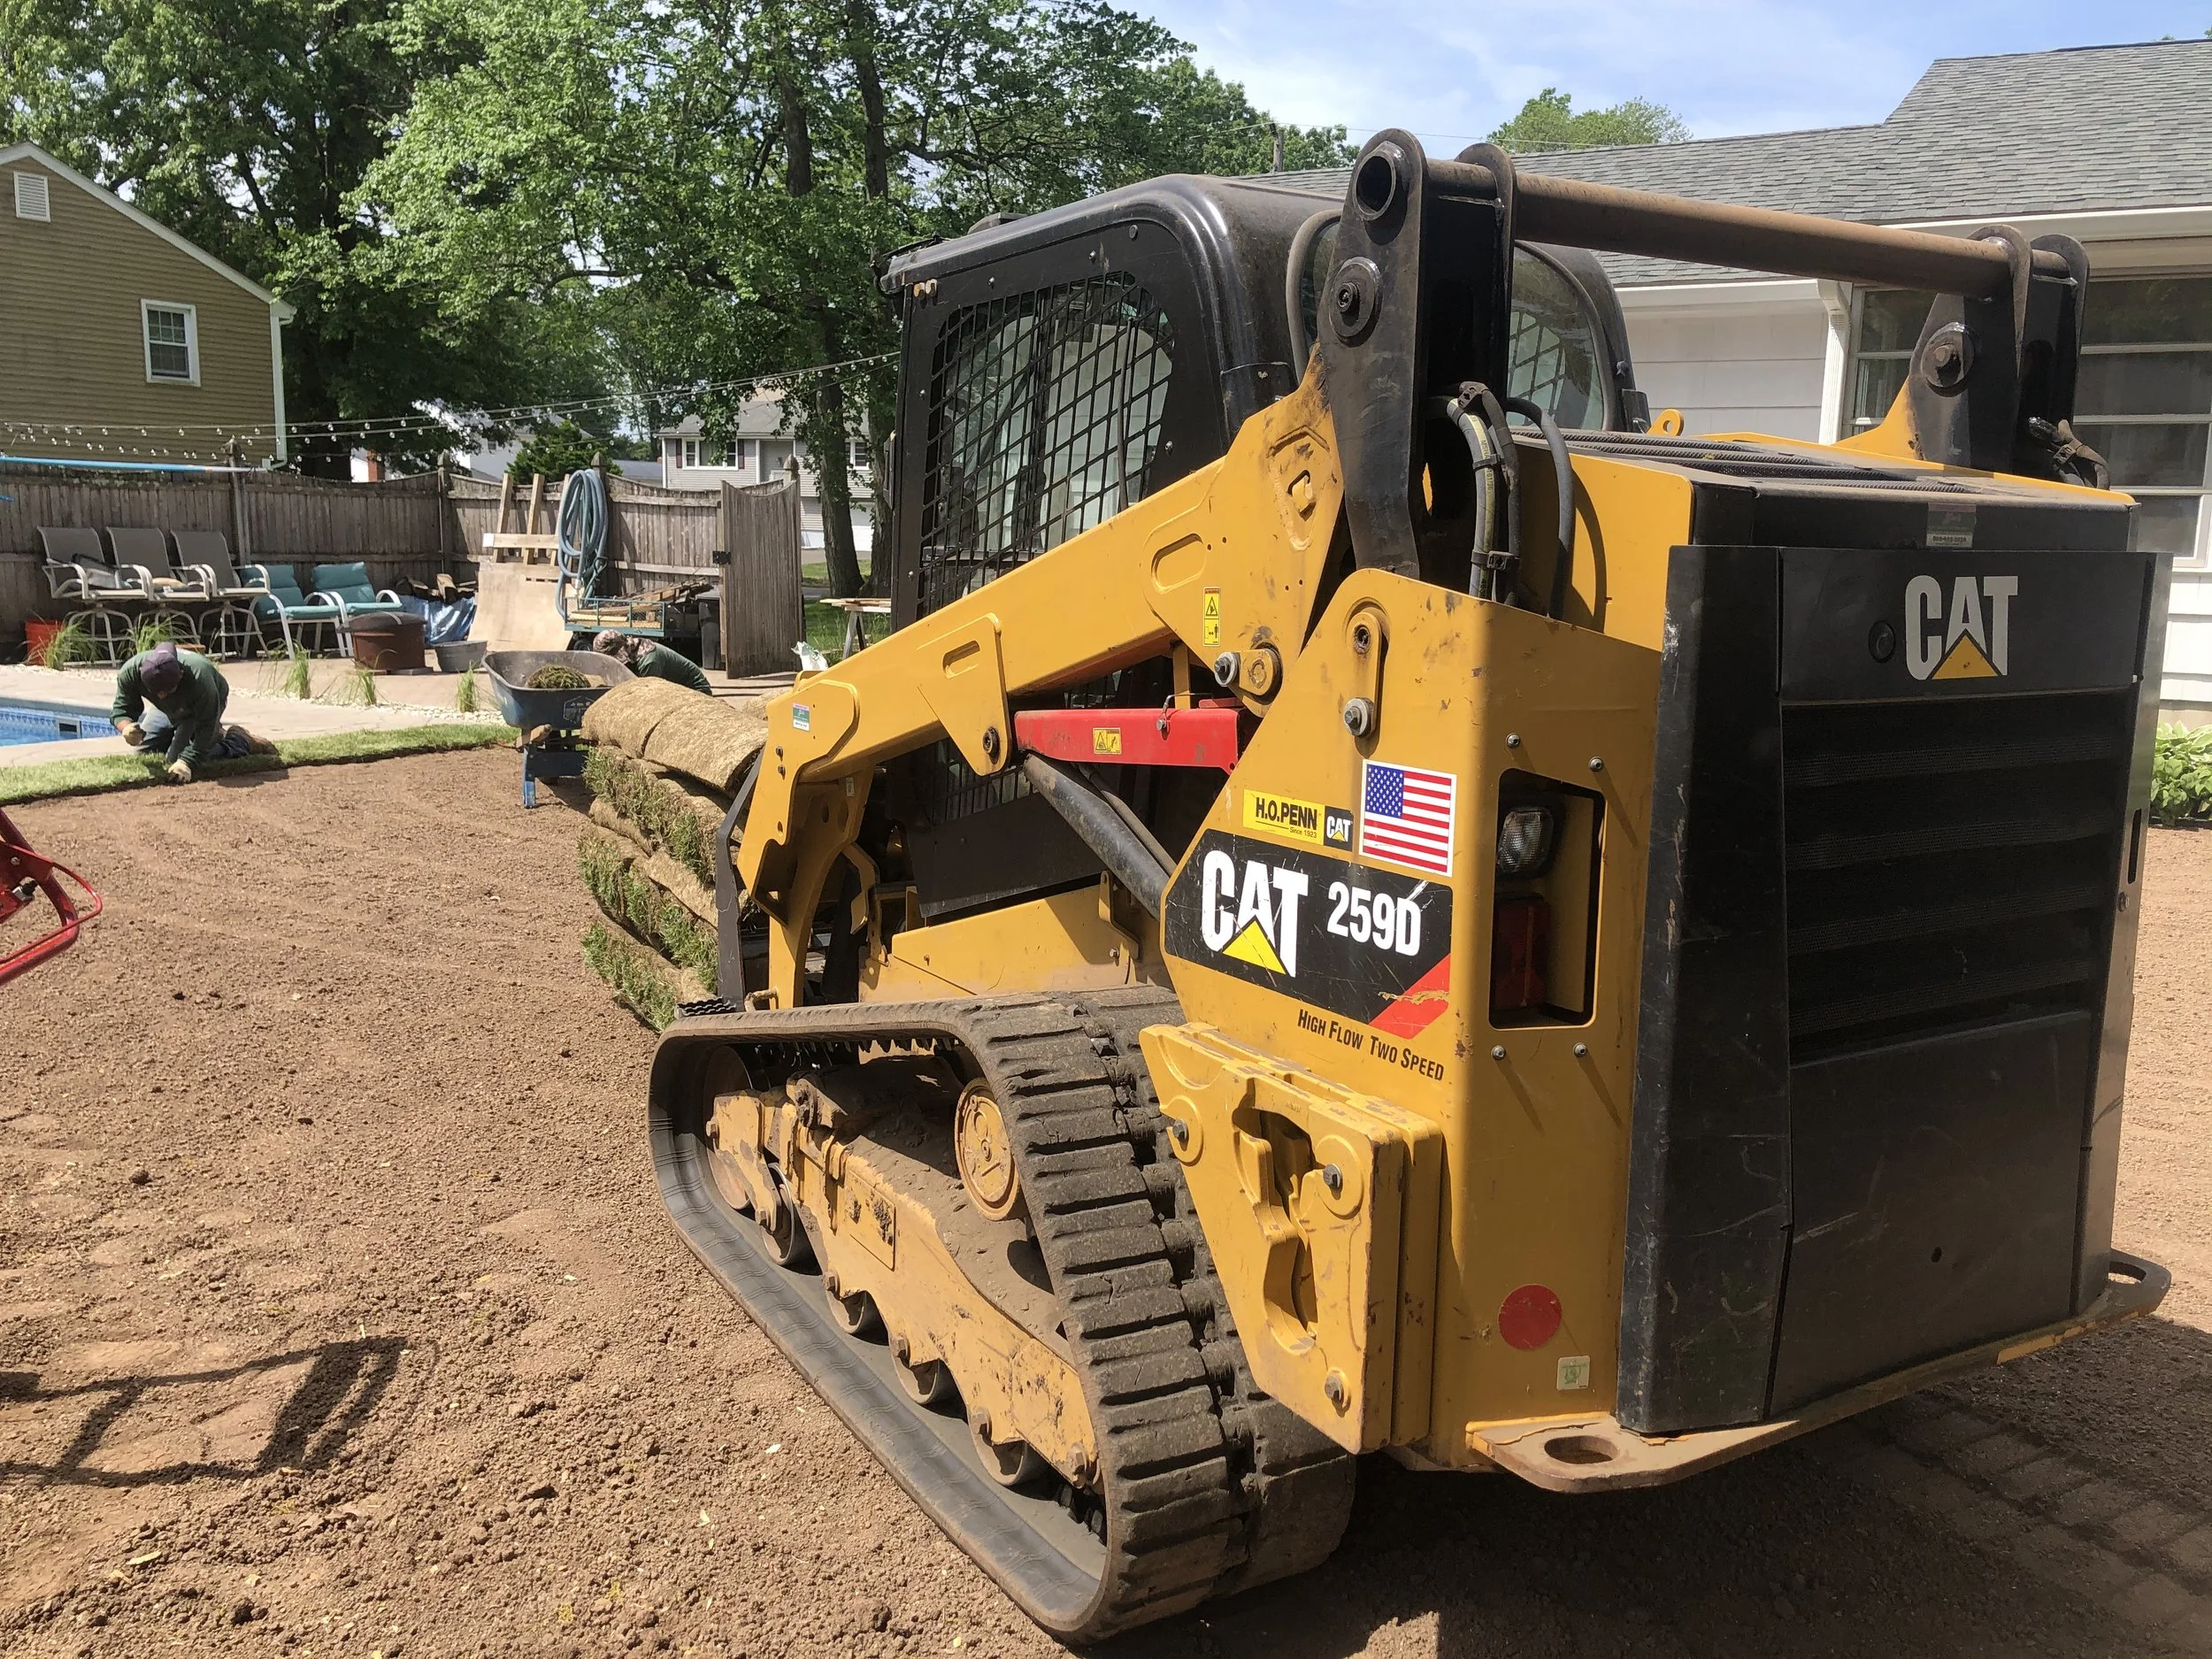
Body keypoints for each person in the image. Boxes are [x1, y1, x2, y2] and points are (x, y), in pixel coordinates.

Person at [111, 641, 274, 784]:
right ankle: (192, 736)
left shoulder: (200, 678)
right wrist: (126, 728)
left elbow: (207, 723)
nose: (161, 695)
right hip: (166, 710)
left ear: (181, 675)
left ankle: (239, 740)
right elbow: (121, 709)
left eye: (168, 691)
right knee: (144, 753)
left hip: (197, 708)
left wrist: (187, 761)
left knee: (177, 759)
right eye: (155, 691)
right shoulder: (131, 671)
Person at [590, 629, 711, 695]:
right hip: (674, 688)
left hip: (695, 689)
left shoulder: (648, 661)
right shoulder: (632, 650)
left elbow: (649, 695)